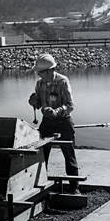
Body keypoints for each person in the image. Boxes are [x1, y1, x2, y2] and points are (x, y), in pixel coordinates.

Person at [28, 53, 80, 193]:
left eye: (41, 73)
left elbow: (70, 105)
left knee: (69, 155)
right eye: (38, 73)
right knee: (42, 155)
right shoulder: (39, 83)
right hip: (47, 122)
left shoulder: (63, 81)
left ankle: (74, 188)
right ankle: (40, 185)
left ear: (50, 70)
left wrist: (56, 112)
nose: (39, 75)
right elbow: (38, 103)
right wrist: (34, 102)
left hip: (64, 122)